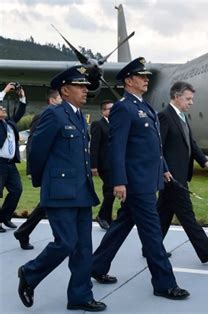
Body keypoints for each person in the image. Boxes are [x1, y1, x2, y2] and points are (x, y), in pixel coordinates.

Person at [91, 57, 190, 300]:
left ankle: (96, 266)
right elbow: (117, 148)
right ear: (129, 80)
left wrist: (163, 167)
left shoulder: (143, 107)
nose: (147, 79)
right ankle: (164, 283)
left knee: (121, 226)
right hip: (136, 182)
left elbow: (153, 145)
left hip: (147, 178)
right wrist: (119, 181)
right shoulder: (123, 108)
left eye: (147, 76)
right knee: (152, 233)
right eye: (142, 76)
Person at [17, 66, 106, 311]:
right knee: (65, 243)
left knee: (83, 249)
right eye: (80, 86)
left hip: (82, 191)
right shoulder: (53, 115)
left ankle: (80, 297)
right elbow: (36, 152)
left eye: (86, 86)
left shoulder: (78, 116)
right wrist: (45, 182)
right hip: (60, 191)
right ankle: (29, 272)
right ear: (65, 90)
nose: (85, 91)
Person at [157, 81, 208, 263]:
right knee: (187, 215)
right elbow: (157, 148)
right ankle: (206, 251)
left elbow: (191, 143)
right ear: (177, 97)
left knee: (163, 214)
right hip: (171, 176)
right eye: (188, 99)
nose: (191, 102)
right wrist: (164, 170)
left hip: (178, 175)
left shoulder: (182, 117)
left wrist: (204, 160)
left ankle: (151, 246)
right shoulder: (165, 117)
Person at [13, 89, 62, 249]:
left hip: (59, 169)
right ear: (52, 100)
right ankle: (61, 240)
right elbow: (33, 144)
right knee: (50, 204)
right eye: (60, 97)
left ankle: (24, 232)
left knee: (48, 205)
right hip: (50, 169)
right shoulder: (44, 116)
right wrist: (31, 170)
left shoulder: (61, 114)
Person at [0, 82, 27, 233]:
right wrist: (4, 91)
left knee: (17, 190)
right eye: (1, 107)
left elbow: (20, 112)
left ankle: (4, 217)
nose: (3, 108)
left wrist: (21, 97)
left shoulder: (9, 123)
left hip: (10, 164)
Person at [90, 100, 115, 230]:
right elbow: (94, 147)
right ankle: (102, 216)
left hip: (114, 164)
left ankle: (107, 217)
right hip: (104, 164)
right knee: (111, 190)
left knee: (109, 191)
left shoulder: (115, 124)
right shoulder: (98, 125)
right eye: (110, 109)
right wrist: (93, 166)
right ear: (104, 111)